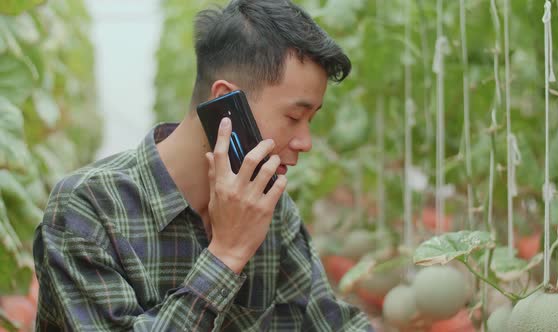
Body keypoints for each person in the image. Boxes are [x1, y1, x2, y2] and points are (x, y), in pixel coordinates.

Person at [32, 0, 374, 331]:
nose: (305, 141)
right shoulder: (88, 209)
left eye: (310, 120)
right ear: (225, 101)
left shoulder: (269, 206)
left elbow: (328, 320)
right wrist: (226, 254)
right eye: (294, 117)